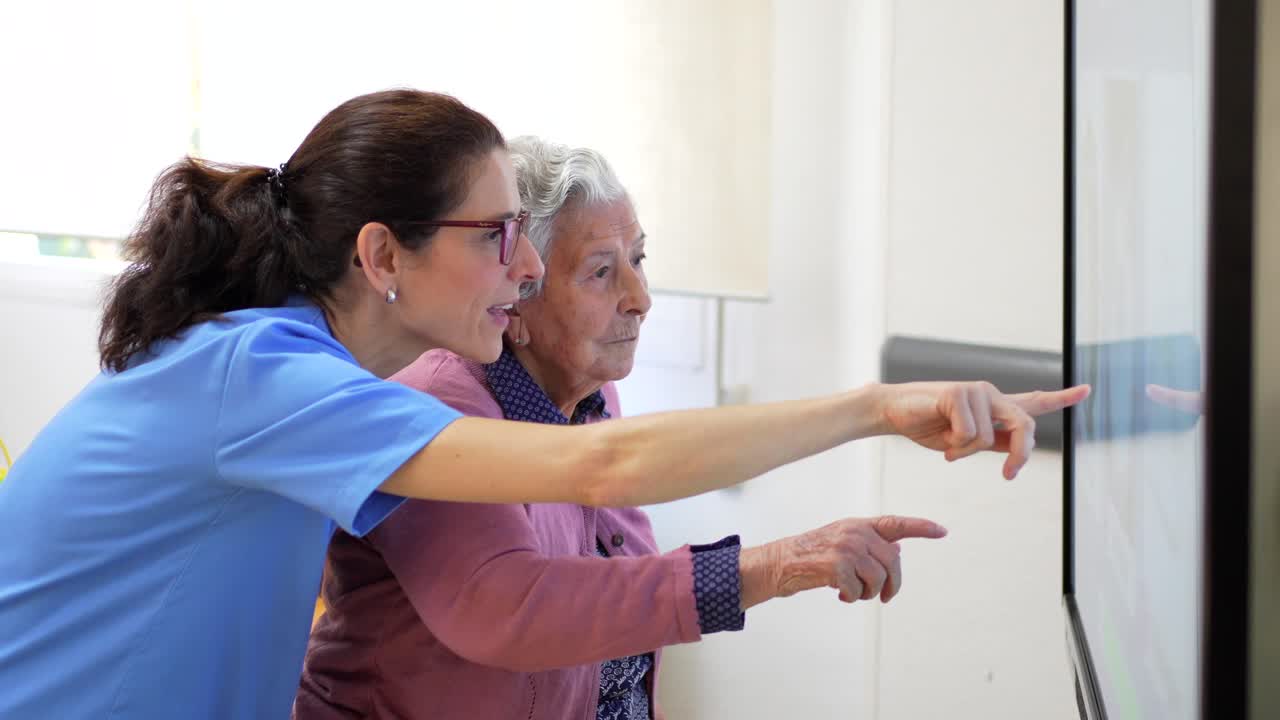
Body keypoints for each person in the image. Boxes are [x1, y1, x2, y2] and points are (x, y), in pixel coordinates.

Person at [0, 89, 1088, 719]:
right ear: (382, 256)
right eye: (496, 237)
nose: (522, 270)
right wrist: (874, 409)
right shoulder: (271, 378)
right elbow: (573, 513)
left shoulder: (311, 375)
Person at [295, 137, 951, 720]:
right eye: (601, 272)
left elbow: (620, 656)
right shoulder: (436, 404)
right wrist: (777, 565)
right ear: (515, 296)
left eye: (638, 259)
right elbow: (518, 612)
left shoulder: (589, 394)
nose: (640, 299)